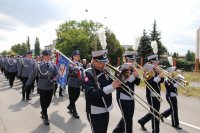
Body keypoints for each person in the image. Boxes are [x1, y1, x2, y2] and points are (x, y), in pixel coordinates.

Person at [82, 49, 121, 133]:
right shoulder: (87, 73)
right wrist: (111, 87)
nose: (104, 65)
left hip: (106, 108)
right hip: (95, 111)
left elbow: (115, 84)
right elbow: (91, 93)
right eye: (101, 62)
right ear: (94, 61)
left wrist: (122, 77)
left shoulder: (106, 72)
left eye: (104, 62)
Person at [25, 50, 58, 125]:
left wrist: (54, 79)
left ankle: (43, 110)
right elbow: (33, 75)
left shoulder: (53, 64)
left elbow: (57, 74)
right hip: (42, 86)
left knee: (49, 101)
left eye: (49, 56)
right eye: (46, 56)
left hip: (50, 85)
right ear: (43, 57)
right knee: (43, 101)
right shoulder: (39, 65)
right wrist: (27, 84)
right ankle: (45, 116)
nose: (47, 57)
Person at [113, 51, 140, 133]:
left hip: (131, 96)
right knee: (128, 120)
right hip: (122, 97)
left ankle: (116, 131)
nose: (132, 62)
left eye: (133, 60)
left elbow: (137, 83)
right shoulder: (120, 69)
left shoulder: (132, 70)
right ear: (125, 59)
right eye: (131, 60)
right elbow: (121, 86)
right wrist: (132, 77)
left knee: (128, 117)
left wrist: (136, 75)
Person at [138, 54, 164, 133]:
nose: (157, 64)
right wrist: (158, 77)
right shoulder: (147, 72)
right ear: (151, 63)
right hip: (151, 94)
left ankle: (142, 121)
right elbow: (149, 83)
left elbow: (161, 81)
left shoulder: (156, 70)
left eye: (157, 62)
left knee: (155, 112)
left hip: (157, 93)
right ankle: (155, 131)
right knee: (155, 114)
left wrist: (161, 77)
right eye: (155, 63)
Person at [67, 50, 83, 118]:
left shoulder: (80, 64)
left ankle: (70, 106)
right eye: (77, 55)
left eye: (79, 55)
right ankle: (74, 112)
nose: (78, 57)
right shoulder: (70, 63)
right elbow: (71, 68)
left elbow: (83, 71)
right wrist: (77, 68)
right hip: (72, 82)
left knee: (77, 95)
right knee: (72, 98)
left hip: (78, 83)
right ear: (73, 56)